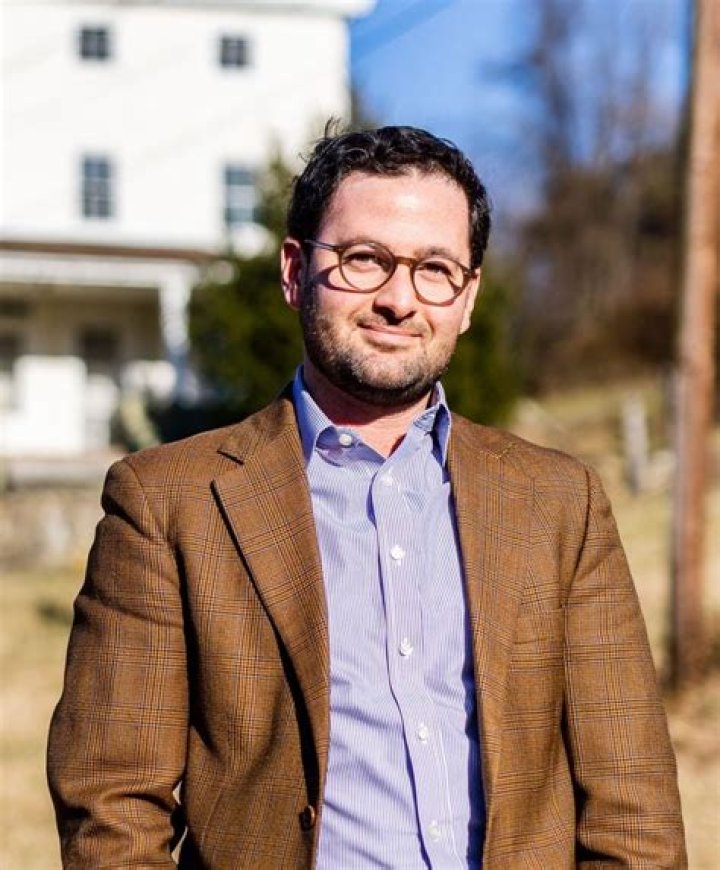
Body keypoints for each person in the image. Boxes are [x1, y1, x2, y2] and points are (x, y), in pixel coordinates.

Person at [48, 125, 686, 868]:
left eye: (435, 269)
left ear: (468, 298)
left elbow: (633, 809)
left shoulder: (560, 503)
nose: (398, 300)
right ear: (295, 271)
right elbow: (111, 806)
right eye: (364, 260)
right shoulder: (168, 504)